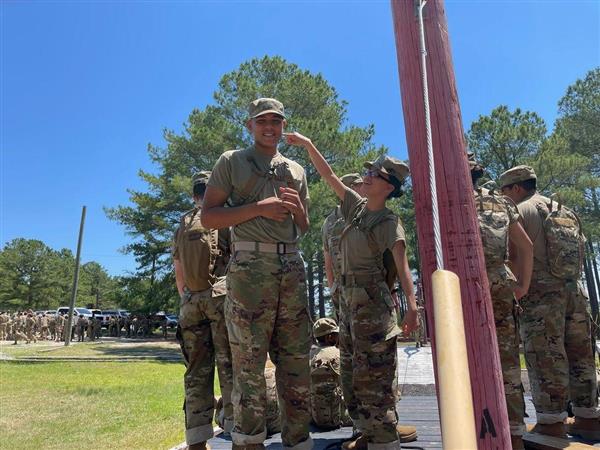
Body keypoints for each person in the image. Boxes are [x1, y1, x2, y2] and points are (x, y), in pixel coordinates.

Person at [286, 131, 418, 450]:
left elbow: (402, 268)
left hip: (373, 313)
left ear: (388, 186)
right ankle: (366, 434)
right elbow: (329, 174)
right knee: (353, 379)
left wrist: (412, 309)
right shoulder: (355, 207)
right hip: (348, 310)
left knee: (375, 384)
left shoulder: (388, 222)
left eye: (374, 174)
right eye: (368, 172)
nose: (367, 177)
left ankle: (384, 441)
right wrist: (308, 143)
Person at [202, 98, 312, 450]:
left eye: (276, 121)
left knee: (295, 361)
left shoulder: (295, 170)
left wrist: (298, 212)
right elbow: (209, 217)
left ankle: (298, 440)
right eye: (262, 121)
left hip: (291, 268)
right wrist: (258, 209)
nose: (269, 127)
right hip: (250, 269)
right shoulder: (232, 162)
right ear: (249, 125)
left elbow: (304, 227)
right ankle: (248, 442)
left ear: (283, 126)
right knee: (248, 363)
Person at [499, 165, 600, 440]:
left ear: (516, 188)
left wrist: (518, 288)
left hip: (542, 295)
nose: (503, 196)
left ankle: (551, 422)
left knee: (545, 356)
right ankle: (588, 417)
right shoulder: (563, 210)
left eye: (504, 190)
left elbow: (516, 256)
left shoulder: (521, 211)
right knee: (581, 356)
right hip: (575, 292)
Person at [470, 156, 533, 450]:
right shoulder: (501, 202)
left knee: (468, 361)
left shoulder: (448, 201)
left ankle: (475, 432)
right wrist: (521, 285)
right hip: (500, 284)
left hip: (465, 287)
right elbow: (525, 247)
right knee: (507, 364)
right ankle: (515, 435)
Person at [173, 170, 234, 450]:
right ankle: (238, 434)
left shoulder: (183, 224)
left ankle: (196, 441)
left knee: (196, 373)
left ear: (193, 193)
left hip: (190, 304)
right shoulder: (222, 218)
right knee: (230, 368)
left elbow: (179, 273)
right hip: (220, 300)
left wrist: (187, 297)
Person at [322, 173, 364, 322]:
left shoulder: (328, 221)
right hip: (357, 289)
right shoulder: (362, 213)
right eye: (360, 185)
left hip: (353, 287)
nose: (364, 188)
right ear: (350, 189)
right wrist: (333, 288)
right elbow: (327, 261)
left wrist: (333, 288)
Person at [310, 317, 352, 430]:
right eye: (336, 334)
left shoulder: (309, 356)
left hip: (314, 416)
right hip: (340, 416)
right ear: (329, 337)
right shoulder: (340, 354)